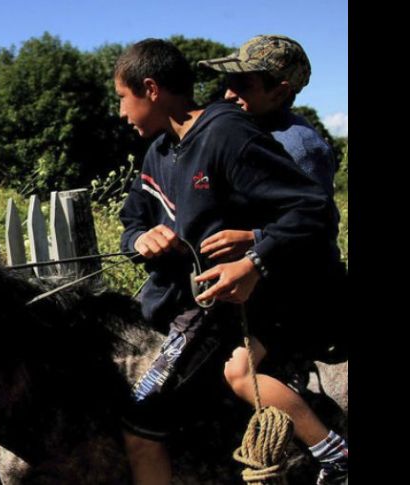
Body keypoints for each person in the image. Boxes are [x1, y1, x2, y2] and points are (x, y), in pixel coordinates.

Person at [114, 38, 343, 484]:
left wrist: (254, 259)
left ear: (151, 89)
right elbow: (131, 221)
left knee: (141, 419)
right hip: (180, 303)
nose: (121, 112)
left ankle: (335, 455)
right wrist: (141, 239)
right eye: (227, 81)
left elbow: (312, 211)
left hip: (230, 308)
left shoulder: (231, 135)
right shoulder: (158, 150)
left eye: (122, 98)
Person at [197, 35, 348, 484]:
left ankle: (332, 452)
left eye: (244, 84)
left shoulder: (300, 147)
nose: (229, 94)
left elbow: (316, 226)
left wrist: (254, 237)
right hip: (265, 282)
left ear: (281, 91)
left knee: (240, 371)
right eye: (229, 83)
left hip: (301, 290)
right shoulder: (247, 134)